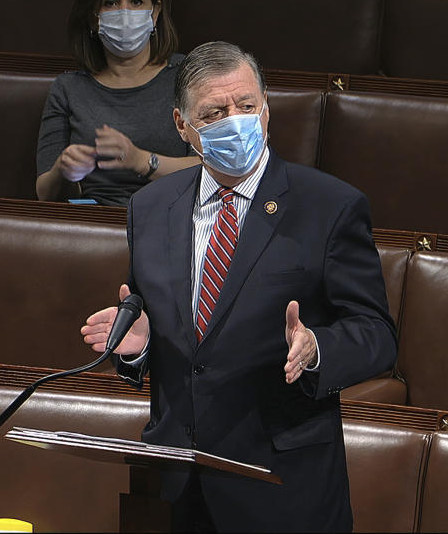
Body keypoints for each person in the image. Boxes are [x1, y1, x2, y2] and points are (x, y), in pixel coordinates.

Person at [80, 41, 398, 532]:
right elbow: (160, 325)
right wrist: (140, 346)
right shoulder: (151, 207)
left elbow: (377, 334)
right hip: (175, 486)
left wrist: (317, 348)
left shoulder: (329, 206)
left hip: (282, 487)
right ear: (183, 127)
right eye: (214, 112)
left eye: (246, 106)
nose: (235, 120)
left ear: (266, 111)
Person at [35, 0, 200, 205]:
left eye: (136, 1)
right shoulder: (67, 88)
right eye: (110, 2)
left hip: (169, 215)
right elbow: (45, 193)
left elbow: (212, 169)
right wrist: (64, 169)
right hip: (91, 222)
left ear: (155, 12)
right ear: (94, 18)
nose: (125, 12)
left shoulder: (187, 77)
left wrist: (141, 161)